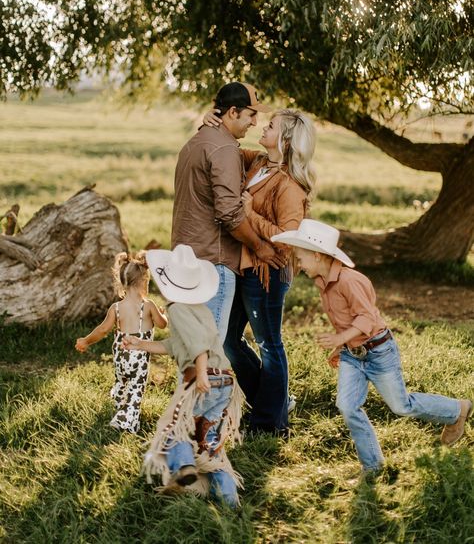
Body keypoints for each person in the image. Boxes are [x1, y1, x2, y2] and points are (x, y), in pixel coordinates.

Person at [271, 219, 473, 472]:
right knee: (346, 406)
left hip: (379, 352)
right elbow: (346, 320)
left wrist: (338, 339)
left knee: (401, 406)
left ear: (317, 255)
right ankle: (373, 466)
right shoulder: (323, 282)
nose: (299, 264)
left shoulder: (349, 280)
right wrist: (342, 346)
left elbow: (366, 318)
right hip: (353, 355)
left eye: (301, 258)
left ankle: (457, 410)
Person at [213, 108, 317, 437]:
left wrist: (249, 215)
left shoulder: (290, 187)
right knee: (229, 339)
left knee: (269, 345)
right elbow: (228, 147)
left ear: (285, 141)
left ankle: (269, 424)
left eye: (270, 125)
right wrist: (214, 123)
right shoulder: (258, 163)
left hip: (269, 274)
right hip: (247, 266)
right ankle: (272, 403)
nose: (262, 126)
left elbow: (288, 241)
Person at [122, 244, 244, 507]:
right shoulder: (199, 308)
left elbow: (198, 343)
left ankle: (184, 469)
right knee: (209, 442)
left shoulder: (176, 309)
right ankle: (230, 501)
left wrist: (200, 374)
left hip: (205, 378)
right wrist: (140, 344)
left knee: (172, 429)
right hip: (224, 381)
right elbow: (175, 345)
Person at [172, 81, 283, 342]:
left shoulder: (197, 141)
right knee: (211, 354)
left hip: (185, 258)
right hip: (213, 262)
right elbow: (230, 214)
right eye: (251, 114)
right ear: (232, 112)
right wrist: (260, 247)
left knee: (191, 350)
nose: (255, 122)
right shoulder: (224, 149)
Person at [75, 251, 168, 433]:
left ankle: (119, 400)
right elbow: (162, 325)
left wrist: (86, 341)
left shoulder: (116, 308)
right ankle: (125, 421)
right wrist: (163, 313)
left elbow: (102, 330)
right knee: (136, 389)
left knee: (122, 381)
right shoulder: (148, 306)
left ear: (123, 283)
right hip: (139, 358)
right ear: (144, 282)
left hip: (121, 356)